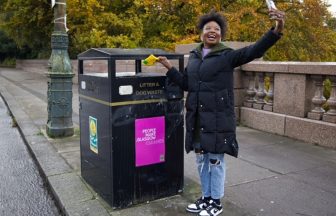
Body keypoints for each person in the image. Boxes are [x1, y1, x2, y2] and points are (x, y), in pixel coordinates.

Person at [158, 8, 285, 216]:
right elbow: (187, 84)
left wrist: (277, 29)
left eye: (216, 29)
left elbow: (254, 50)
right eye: (208, 28)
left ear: (221, 34)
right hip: (197, 118)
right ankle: (206, 197)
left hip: (218, 119)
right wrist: (169, 68)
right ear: (201, 33)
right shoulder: (195, 57)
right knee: (201, 160)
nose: (212, 31)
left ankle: (215, 202)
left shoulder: (227, 56)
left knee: (215, 161)